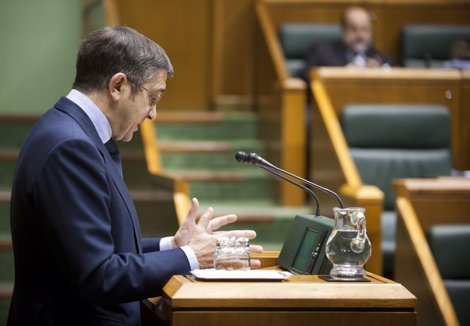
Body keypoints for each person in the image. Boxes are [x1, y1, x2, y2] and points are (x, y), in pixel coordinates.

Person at [7, 26, 262, 326]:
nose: (153, 114)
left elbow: (97, 247)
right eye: (152, 98)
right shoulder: (71, 146)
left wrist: (173, 246)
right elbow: (97, 276)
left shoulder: (74, 134)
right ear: (118, 86)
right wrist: (191, 257)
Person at [301, 5, 393, 81]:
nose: (360, 35)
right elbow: (305, 76)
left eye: (365, 29)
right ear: (343, 30)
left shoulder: (382, 58)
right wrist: (340, 74)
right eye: (354, 29)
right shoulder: (322, 51)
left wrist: (380, 73)